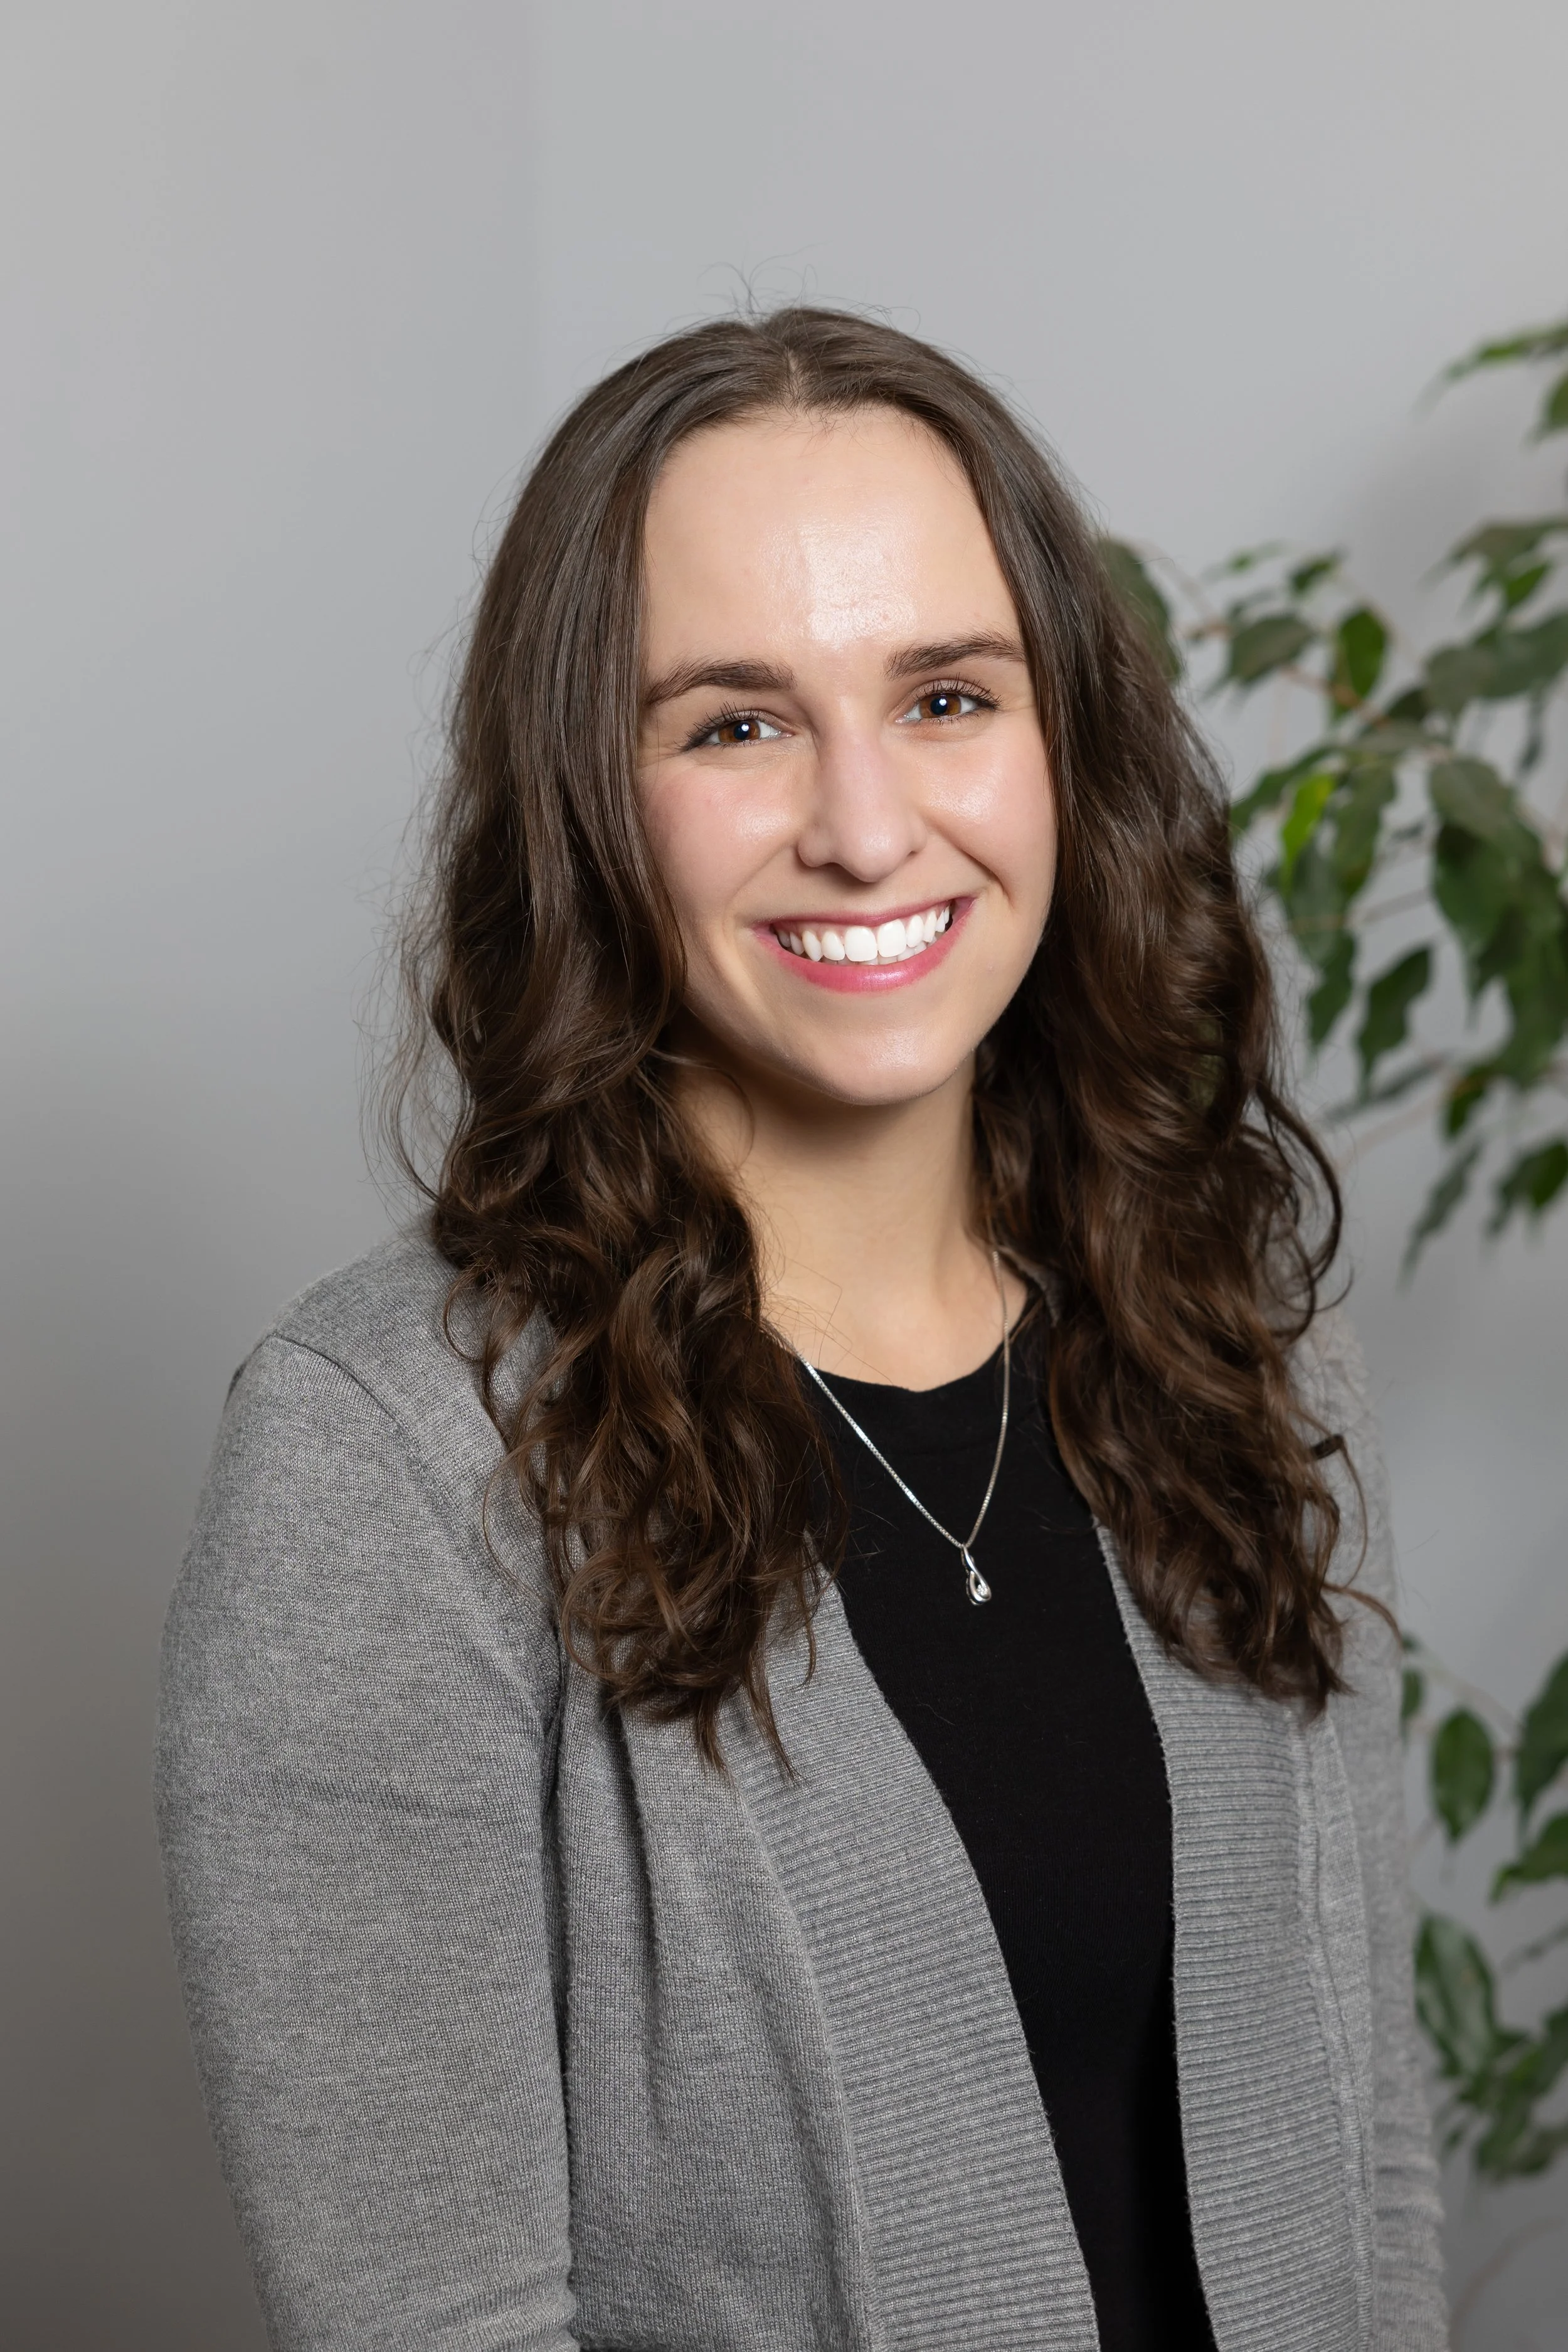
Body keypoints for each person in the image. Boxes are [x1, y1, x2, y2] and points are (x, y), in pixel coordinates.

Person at [156, 307, 1448, 2352]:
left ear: (1060, 746)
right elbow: (438, 2322)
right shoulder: (385, 1462)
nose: (865, 823)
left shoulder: (1236, 1337)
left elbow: (1367, 2176)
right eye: (733, 723)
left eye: (945, 692)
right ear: (590, 795)